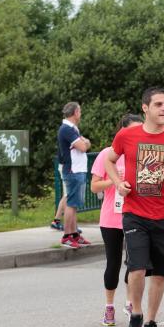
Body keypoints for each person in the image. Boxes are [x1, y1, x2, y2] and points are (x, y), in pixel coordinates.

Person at [105, 87, 164, 327]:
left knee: (159, 272)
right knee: (137, 267)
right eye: (158, 105)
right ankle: (136, 313)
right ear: (145, 108)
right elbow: (110, 160)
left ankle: (151, 321)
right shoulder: (127, 135)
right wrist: (118, 183)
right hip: (134, 213)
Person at [90, 113, 143, 326]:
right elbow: (94, 186)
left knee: (135, 263)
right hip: (111, 218)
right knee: (113, 262)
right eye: (133, 130)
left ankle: (131, 303)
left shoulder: (142, 154)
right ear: (122, 131)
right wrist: (115, 182)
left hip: (136, 216)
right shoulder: (106, 154)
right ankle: (109, 307)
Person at [56, 102, 92, 249]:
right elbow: (83, 146)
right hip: (73, 170)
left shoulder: (72, 129)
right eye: (80, 111)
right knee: (71, 204)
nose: (81, 114)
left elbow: (83, 144)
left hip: (78, 169)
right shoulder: (67, 129)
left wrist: (85, 142)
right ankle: (67, 236)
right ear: (76, 112)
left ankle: (74, 234)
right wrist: (86, 142)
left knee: (75, 204)